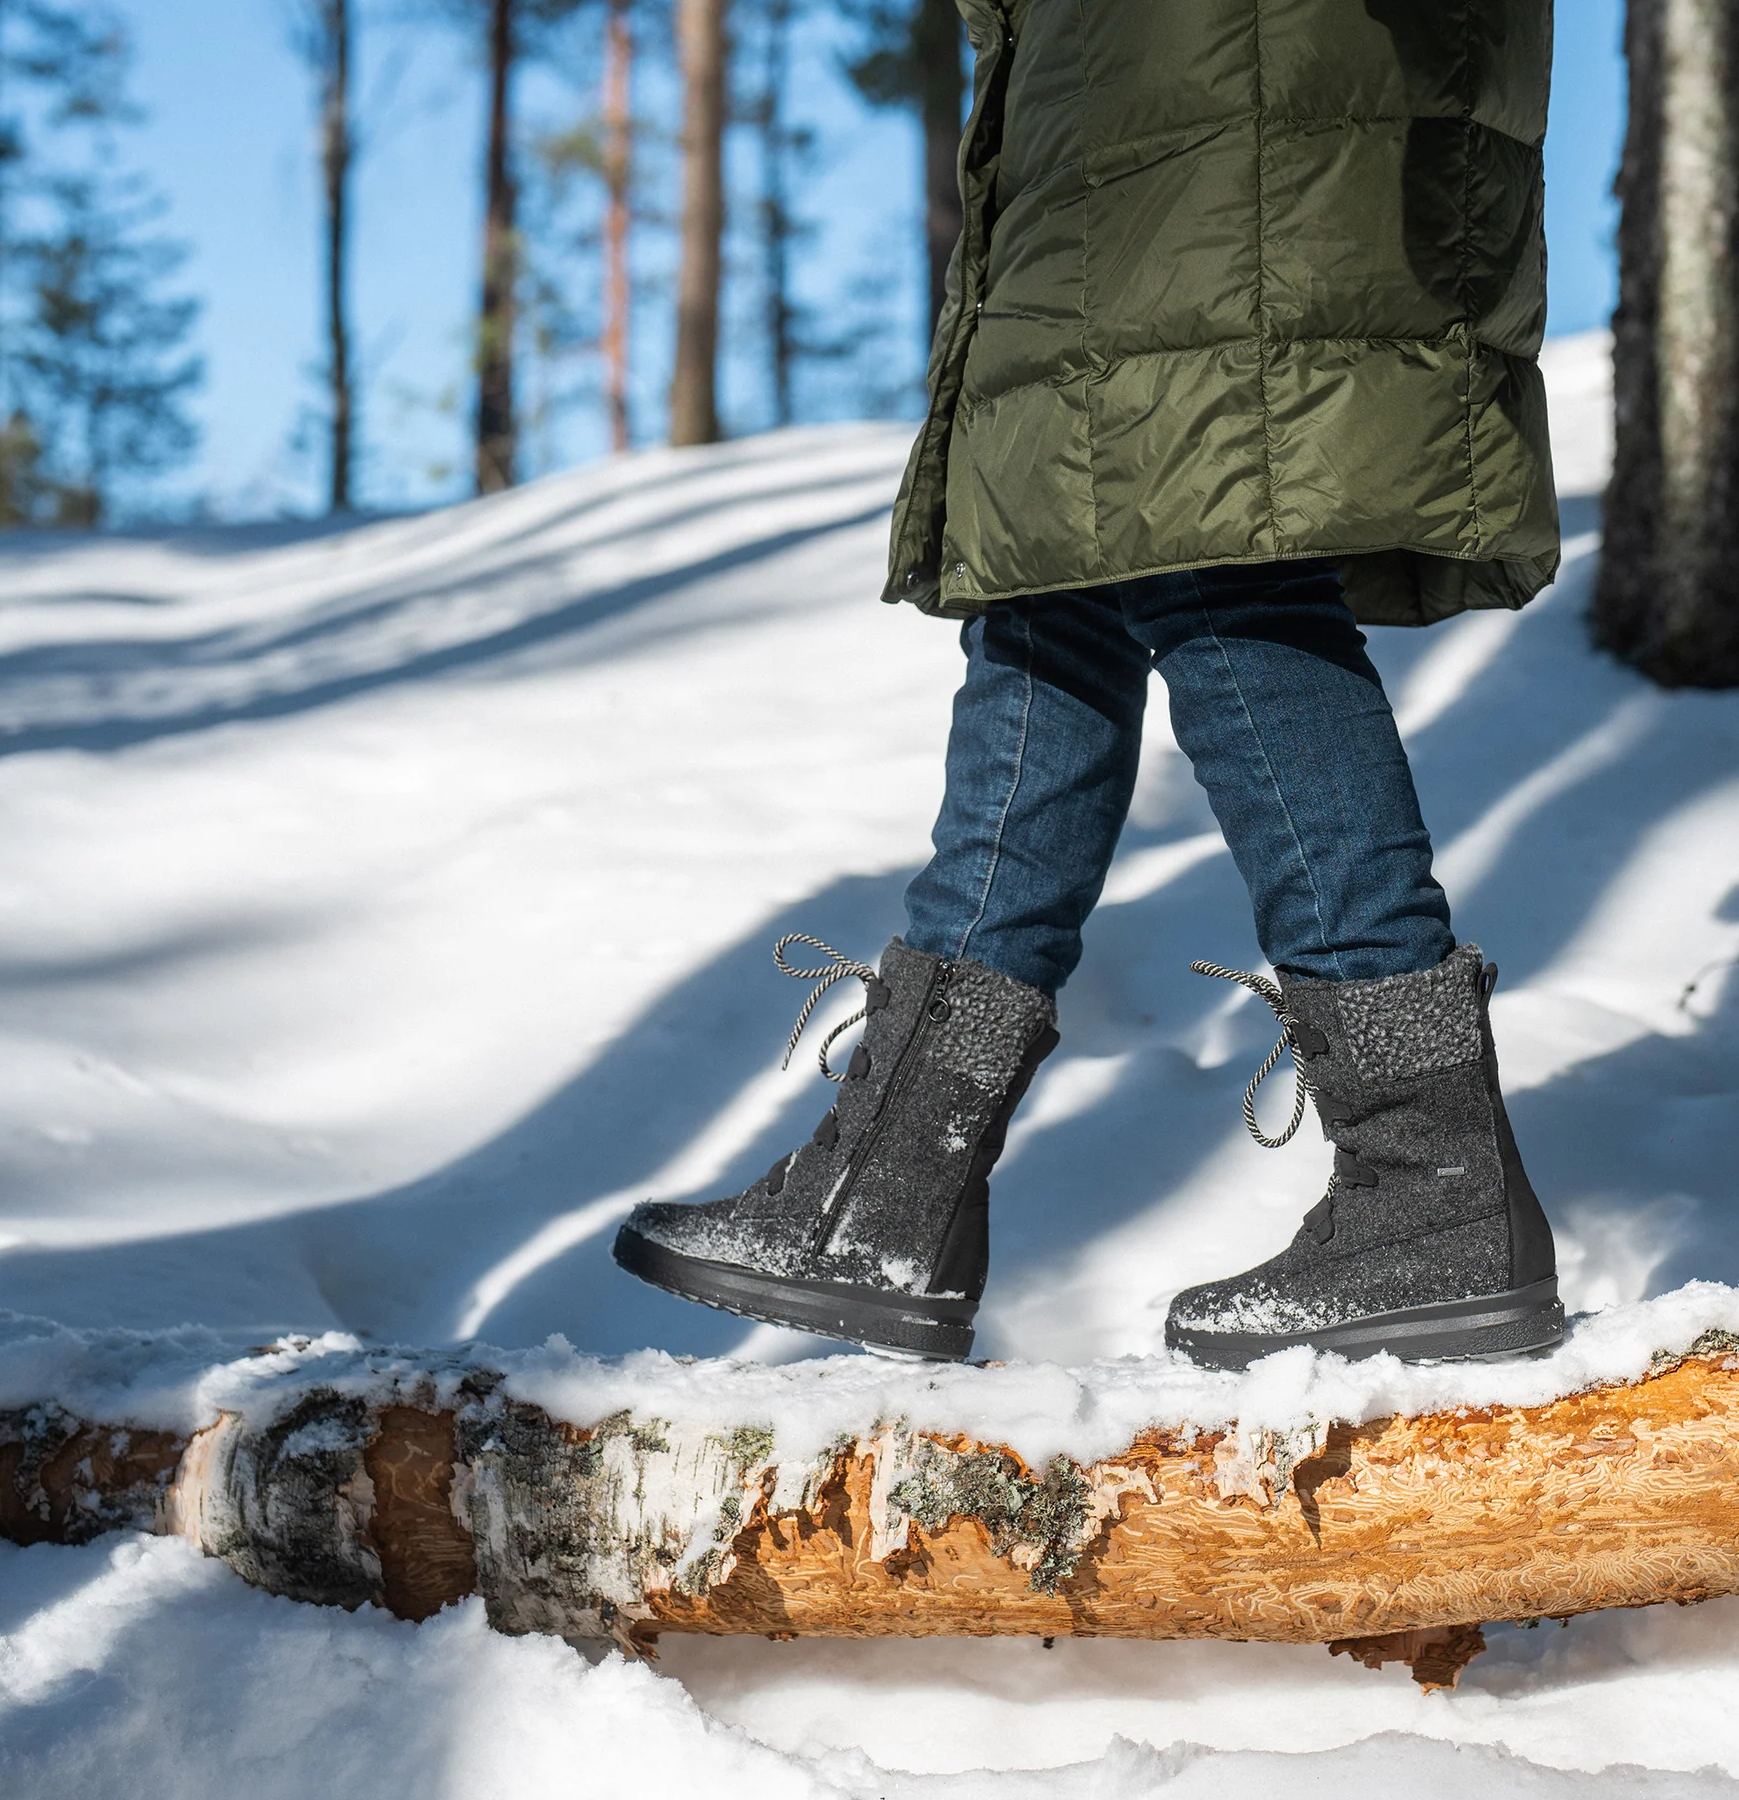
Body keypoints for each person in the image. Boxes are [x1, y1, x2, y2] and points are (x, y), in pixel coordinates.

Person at [615, 0, 1562, 1368]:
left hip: (1234, 72)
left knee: (1223, 549)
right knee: (1047, 584)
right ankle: (889, 1186)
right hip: (1126, 82)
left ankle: (1434, 1183)